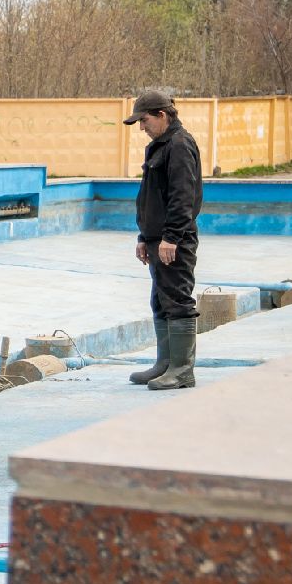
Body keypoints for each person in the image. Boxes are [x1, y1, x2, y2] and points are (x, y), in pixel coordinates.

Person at [125, 89, 203, 390]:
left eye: (144, 121)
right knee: (160, 299)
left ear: (162, 115)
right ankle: (165, 364)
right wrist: (145, 236)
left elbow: (184, 197)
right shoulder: (159, 146)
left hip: (175, 240)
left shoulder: (180, 145)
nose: (142, 128)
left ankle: (182, 370)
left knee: (178, 299)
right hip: (157, 238)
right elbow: (151, 197)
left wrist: (171, 237)